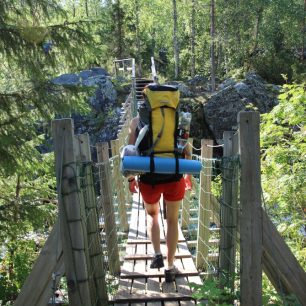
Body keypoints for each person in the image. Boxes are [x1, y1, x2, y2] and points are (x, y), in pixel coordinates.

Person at [127, 116, 192, 282]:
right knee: (172, 220)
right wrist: (188, 175)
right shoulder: (175, 117)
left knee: (152, 216)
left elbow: (130, 153)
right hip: (174, 174)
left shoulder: (137, 122)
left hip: (149, 179)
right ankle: (170, 267)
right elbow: (186, 149)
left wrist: (131, 179)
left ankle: (157, 254)